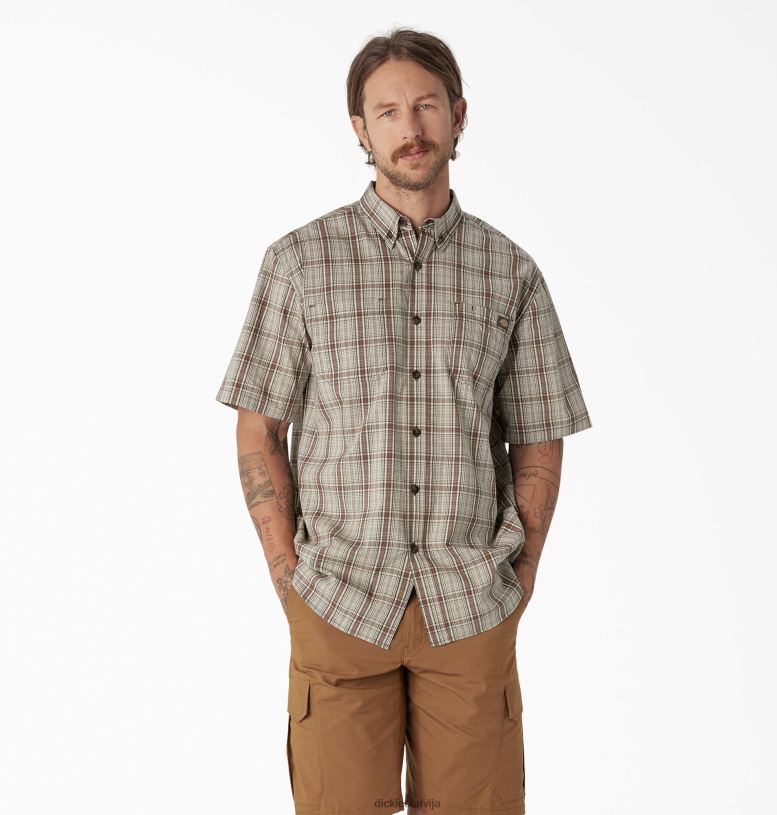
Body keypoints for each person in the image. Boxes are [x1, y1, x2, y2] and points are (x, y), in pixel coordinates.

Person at [215, 26, 592, 815]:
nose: (409, 128)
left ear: (458, 114)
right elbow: (259, 427)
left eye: (425, 106)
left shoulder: (510, 272)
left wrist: (519, 577)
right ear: (360, 129)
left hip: (470, 604)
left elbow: (538, 434)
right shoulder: (299, 262)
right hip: (337, 600)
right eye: (387, 112)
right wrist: (288, 576)